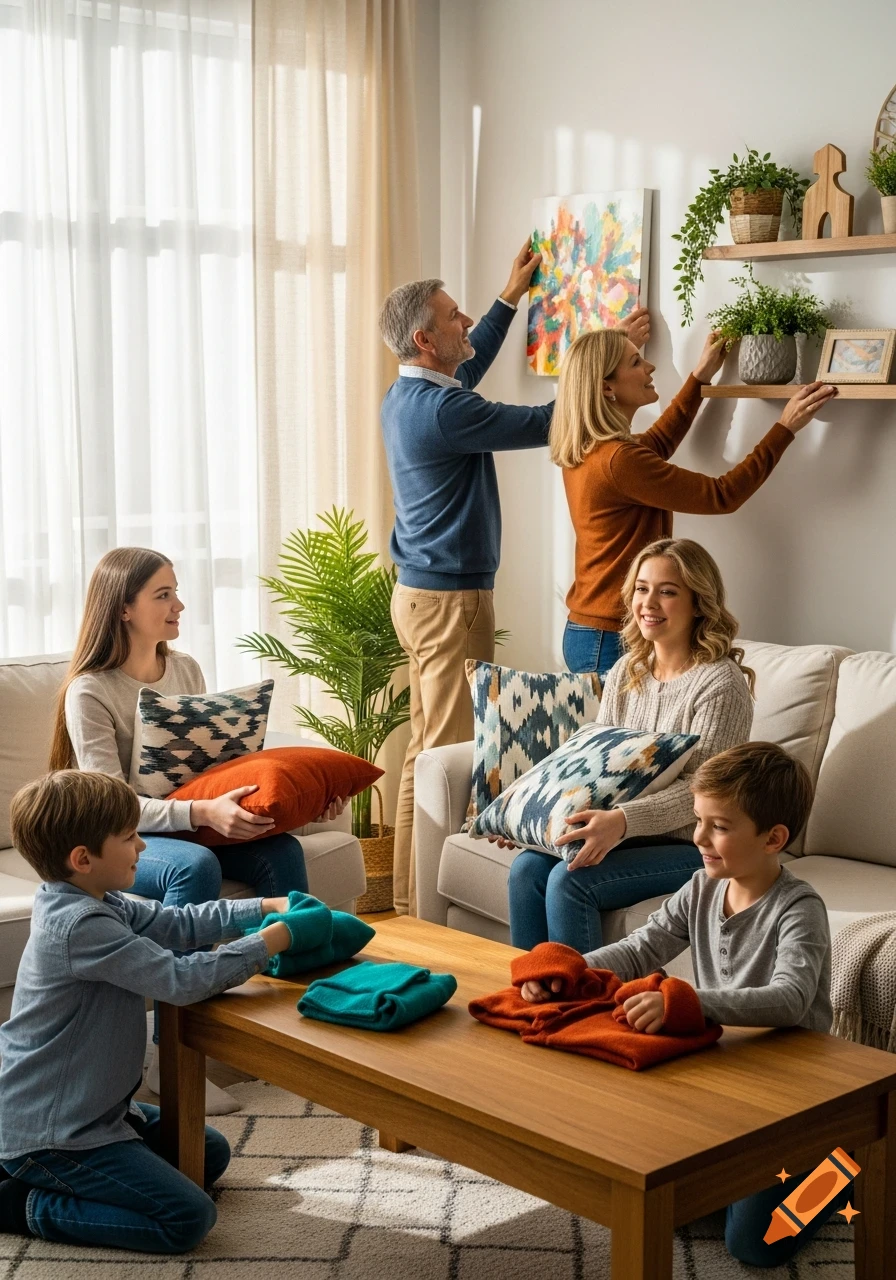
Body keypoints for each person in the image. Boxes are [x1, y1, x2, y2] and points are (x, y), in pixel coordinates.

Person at [379, 248, 650, 914]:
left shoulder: (414, 393)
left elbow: (466, 364)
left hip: (423, 593)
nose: (463, 319)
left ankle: (409, 902)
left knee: (425, 747)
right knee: (442, 752)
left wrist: (508, 299)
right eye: (452, 315)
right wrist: (608, 367)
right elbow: (545, 422)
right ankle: (417, 915)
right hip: (448, 601)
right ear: (425, 340)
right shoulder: (444, 414)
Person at [519, 741, 850, 1268]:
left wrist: (688, 1000)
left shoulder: (799, 909)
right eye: (699, 821)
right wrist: (569, 971)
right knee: (661, 1195)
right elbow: (639, 949)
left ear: (774, 838)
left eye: (718, 826)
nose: (698, 838)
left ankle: (841, 1169)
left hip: (793, 1088)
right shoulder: (700, 887)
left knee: (755, 1245)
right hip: (726, 1072)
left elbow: (789, 1000)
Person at [48, 547, 345, 1113]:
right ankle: (172, 1052)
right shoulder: (91, 691)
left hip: (191, 823)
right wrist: (202, 816)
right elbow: (111, 807)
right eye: (163, 594)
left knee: (279, 851)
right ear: (124, 608)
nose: (179, 605)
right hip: (128, 836)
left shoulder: (183, 670)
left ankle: (305, 1024)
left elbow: (213, 776)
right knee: (195, 865)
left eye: (175, 591)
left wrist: (294, 807)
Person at [0, 770, 308, 1253]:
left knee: (206, 1151)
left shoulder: (99, 901)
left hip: (92, 1106)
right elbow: (181, 981)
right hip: (55, 1130)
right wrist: (269, 941)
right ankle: (21, 1204)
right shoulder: (80, 926)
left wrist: (263, 906)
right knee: (186, 1218)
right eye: (129, 837)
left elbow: (178, 922)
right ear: (83, 859)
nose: (143, 848)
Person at [508, 537, 754, 954]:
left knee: (570, 880)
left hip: (695, 845)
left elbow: (707, 795)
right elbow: (594, 769)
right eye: (642, 588)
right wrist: (529, 815)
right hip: (632, 835)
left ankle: (583, 1009)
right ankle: (531, 999)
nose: (649, 603)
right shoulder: (627, 670)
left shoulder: (720, 683)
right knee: (526, 869)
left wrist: (621, 821)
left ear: (699, 603)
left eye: (668, 591)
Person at [550, 327, 837, 678]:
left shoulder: (591, 450)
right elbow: (722, 495)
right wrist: (785, 428)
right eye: (636, 361)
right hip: (610, 637)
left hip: (594, 629)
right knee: (634, 735)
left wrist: (701, 376)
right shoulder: (618, 461)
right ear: (607, 387)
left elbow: (658, 441)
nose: (650, 367)